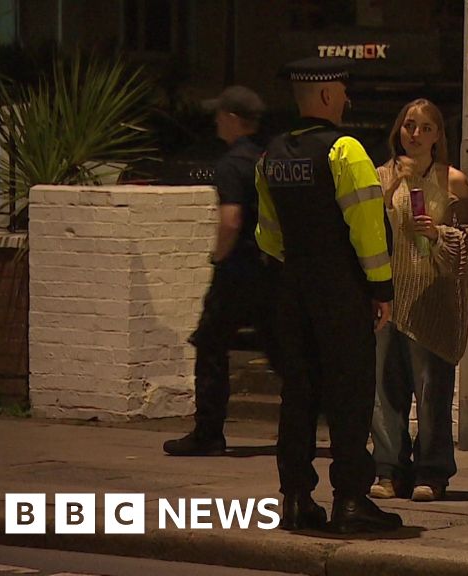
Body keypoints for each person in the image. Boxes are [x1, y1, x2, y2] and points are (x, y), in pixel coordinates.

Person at [255, 57, 401, 533]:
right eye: (341, 90)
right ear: (324, 96)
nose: (346, 98)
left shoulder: (272, 155)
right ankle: (351, 500)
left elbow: (268, 236)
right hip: (340, 290)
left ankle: (296, 498)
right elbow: (367, 229)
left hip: (291, 286)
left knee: (298, 393)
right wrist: (380, 288)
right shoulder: (345, 151)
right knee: (349, 392)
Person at [369, 99, 468, 502]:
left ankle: (431, 471)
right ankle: (387, 468)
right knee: (384, 388)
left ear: (438, 136)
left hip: (431, 298)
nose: (415, 134)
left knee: (431, 390)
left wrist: (437, 235)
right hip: (389, 295)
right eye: (409, 126)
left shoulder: (453, 181)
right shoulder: (380, 177)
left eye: (425, 128)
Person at [164, 85, 282, 457]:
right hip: (271, 267)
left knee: (211, 343)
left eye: (220, 115)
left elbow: (230, 219)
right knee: (281, 351)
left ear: (232, 119)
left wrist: (218, 256)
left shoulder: (231, 164)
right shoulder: (268, 157)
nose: (216, 120)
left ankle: (208, 433)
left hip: (238, 268)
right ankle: (311, 425)